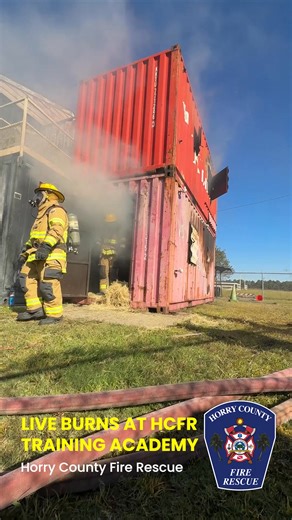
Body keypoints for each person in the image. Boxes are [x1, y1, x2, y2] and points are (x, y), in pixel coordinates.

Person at [16, 182, 68, 325]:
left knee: (48, 284)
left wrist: (45, 247)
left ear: (48, 195)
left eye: (39, 194)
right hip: (36, 254)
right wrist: (25, 251)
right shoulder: (41, 215)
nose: (36, 197)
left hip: (52, 254)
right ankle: (35, 309)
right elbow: (34, 237)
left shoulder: (56, 210)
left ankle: (55, 314)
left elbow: (57, 230)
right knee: (25, 278)